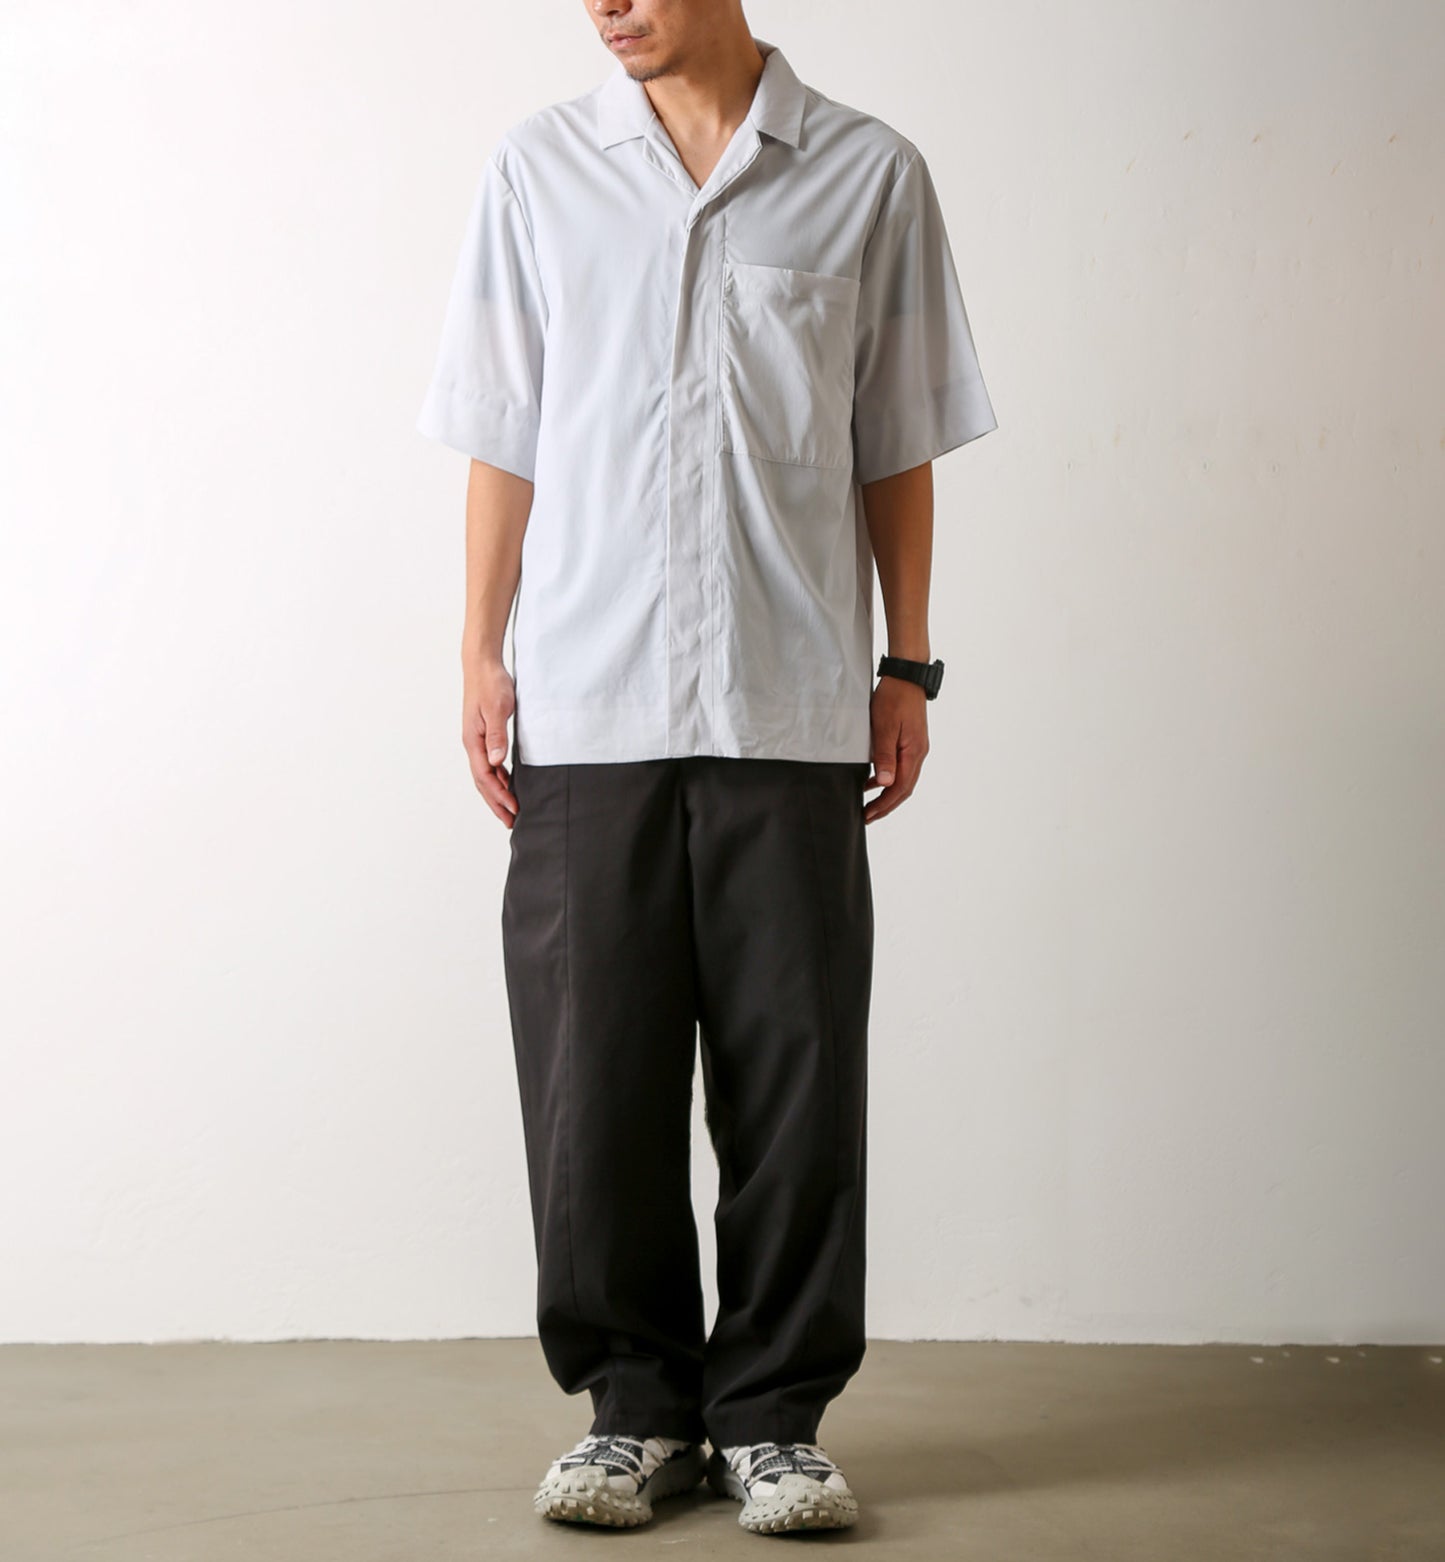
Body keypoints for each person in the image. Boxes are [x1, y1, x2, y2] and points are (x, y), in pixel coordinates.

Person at [415, 0, 997, 1536]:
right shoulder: (537, 171)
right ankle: (633, 1409)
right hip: (587, 702)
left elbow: (893, 438)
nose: (605, 4)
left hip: (784, 704)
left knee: (795, 1079)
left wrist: (907, 662)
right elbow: (502, 433)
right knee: (589, 1079)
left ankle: (773, 1420)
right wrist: (479, 652)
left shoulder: (867, 174)